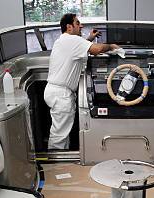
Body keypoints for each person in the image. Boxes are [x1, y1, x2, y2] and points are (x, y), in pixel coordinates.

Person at [45, 13, 121, 149]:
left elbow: (79, 49)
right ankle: (55, 164)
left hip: (55, 91)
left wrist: (90, 38)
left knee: (62, 130)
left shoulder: (64, 40)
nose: (81, 26)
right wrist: (111, 46)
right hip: (61, 94)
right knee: (59, 134)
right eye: (78, 23)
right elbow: (97, 50)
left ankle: (62, 156)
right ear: (69, 27)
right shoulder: (71, 40)